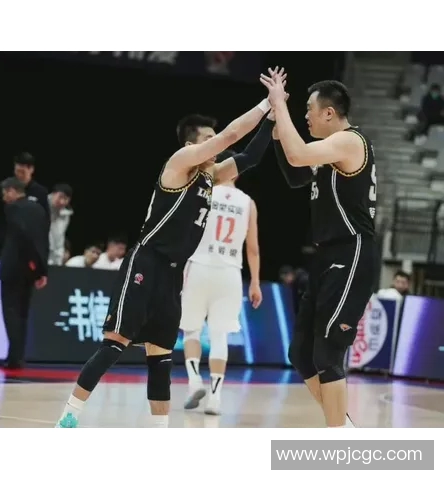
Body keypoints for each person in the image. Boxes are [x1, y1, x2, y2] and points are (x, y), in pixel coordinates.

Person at [56, 67, 286, 428]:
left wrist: (273, 119)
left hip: (173, 272)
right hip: (146, 261)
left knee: (161, 357)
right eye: (208, 138)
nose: (216, 143)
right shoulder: (179, 164)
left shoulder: (211, 176)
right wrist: (265, 103)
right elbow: (231, 135)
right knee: (114, 344)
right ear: (192, 144)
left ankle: (160, 433)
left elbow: (251, 157)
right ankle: (69, 416)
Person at [262, 72, 377, 428]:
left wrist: (280, 105)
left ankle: (338, 438)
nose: (306, 116)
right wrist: (277, 129)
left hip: (351, 252)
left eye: (309, 109)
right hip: (326, 255)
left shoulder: (348, 141)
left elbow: (298, 156)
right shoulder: (328, 152)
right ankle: (345, 428)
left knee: (327, 353)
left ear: (329, 112)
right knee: (301, 353)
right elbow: (296, 174)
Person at [180, 149, 262, 415]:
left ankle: (194, 382)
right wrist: (255, 282)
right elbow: (253, 249)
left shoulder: (204, 193)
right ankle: (215, 398)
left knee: (191, 330)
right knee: (219, 335)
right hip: (230, 273)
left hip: (200, 265)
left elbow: (186, 232)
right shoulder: (248, 203)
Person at [0, 177, 49, 369]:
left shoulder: (13, 209)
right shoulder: (39, 209)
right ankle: (18, 356)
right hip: (30, 269)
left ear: (13, 190)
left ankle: (13, 358)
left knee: (11, 312)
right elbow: (43, 240)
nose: (4, 198)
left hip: (13, 267)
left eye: (5, 193)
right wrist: (40, 269)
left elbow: (21, 236)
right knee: (23, 313)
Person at [0, 152, 49, 259]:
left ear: (31, 169)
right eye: (17, 171)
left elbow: (45, 222)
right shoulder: (4, 187)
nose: (19, 175)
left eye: (23, 172)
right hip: (3, 242)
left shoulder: (40, 192)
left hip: (29, 245)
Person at [48, 183, 73, 265]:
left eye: (66, 199)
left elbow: (60, 238)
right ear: (53, 194)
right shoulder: (40, 205)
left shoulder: (66, 215)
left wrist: (58, 260)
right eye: (60, 197)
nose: (62, 202)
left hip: (53, 258)